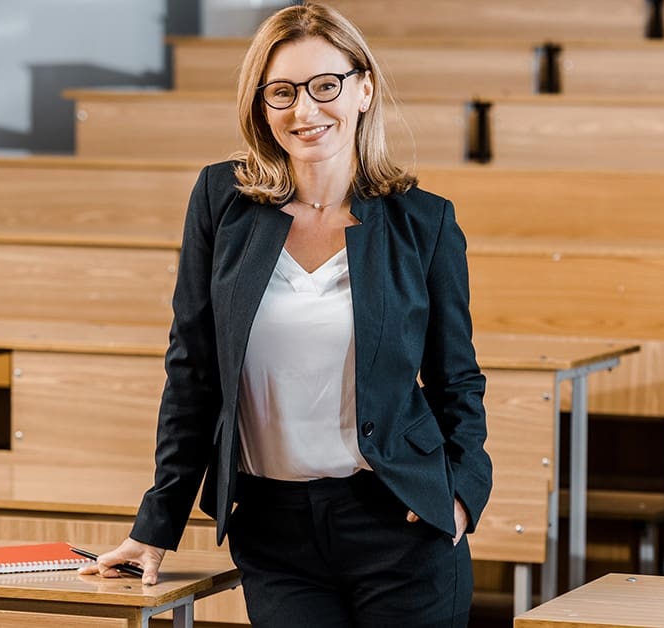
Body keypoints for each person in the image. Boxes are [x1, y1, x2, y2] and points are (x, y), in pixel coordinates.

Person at [80, 3, 491, 626]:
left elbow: (456, 377)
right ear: (261, 105)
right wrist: (157, 521)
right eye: (282, 93)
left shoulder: (423, 222)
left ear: (363, 88)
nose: (305, 110)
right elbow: (193, 370)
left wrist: (460, 493)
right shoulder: (222, 202)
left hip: (399, 522)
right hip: (275, 531)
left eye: (325, 85)